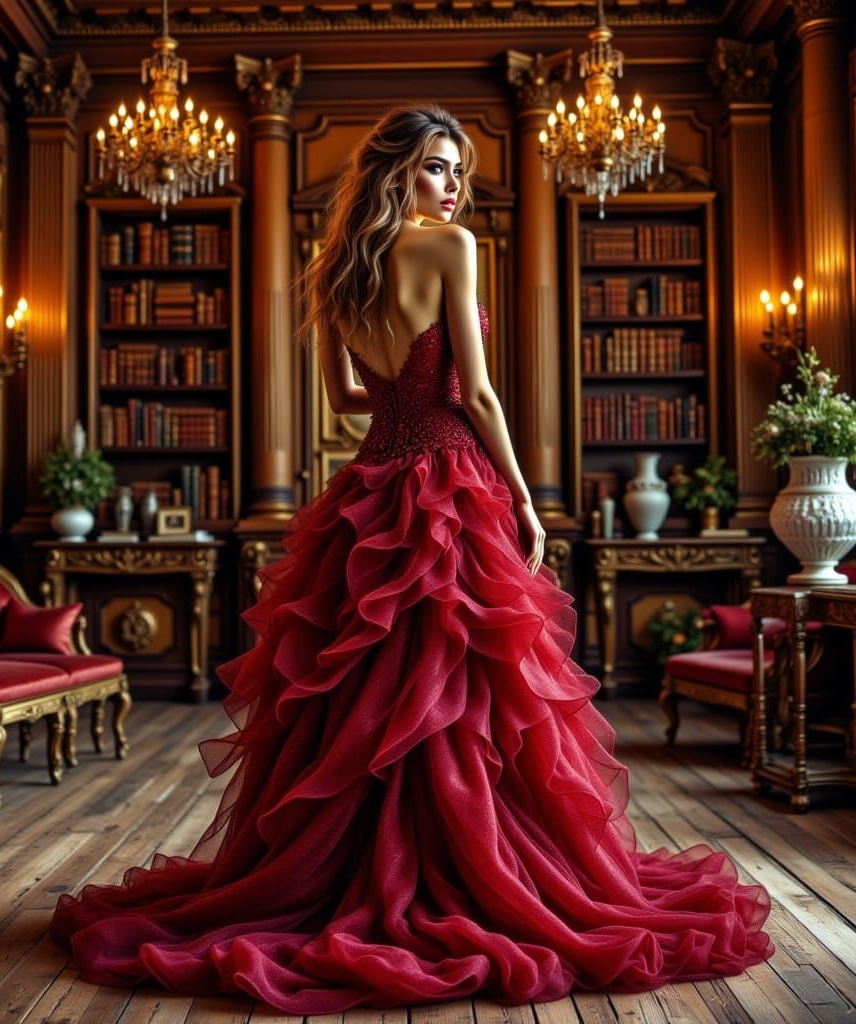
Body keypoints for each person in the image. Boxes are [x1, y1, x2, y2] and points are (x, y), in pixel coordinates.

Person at [50, 104, 774, 1011]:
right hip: (449, 488)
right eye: (437, 167)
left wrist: (401, 405)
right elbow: (476, 392)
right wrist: (522, 495)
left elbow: (349, 399)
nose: (453, 185)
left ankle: (350, 868)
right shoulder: (453, 248)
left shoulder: (338, 273)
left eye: (458, 170)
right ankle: (466, 867)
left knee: (362, 689)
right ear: (397, 172)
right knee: (462, 688)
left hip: (370, 488)